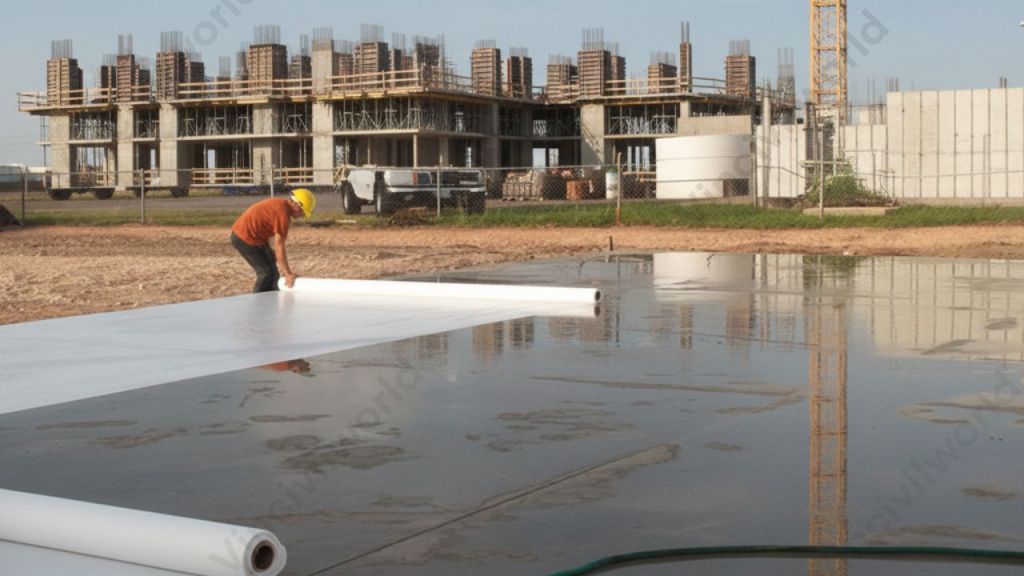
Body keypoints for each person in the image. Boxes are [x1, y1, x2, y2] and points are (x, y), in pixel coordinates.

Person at [230, 188, 316, 293]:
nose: (302, 215)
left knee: (274, 275)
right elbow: (279, 246)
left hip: (257, 239)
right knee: (265, 273)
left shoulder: (281, 205)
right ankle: (256, 304)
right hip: (243, 238)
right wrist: (288, 274)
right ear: (297, 204)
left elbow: (264, 227)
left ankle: (272, 302)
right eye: (302, 212)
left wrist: (269, 252)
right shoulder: (282, 214)